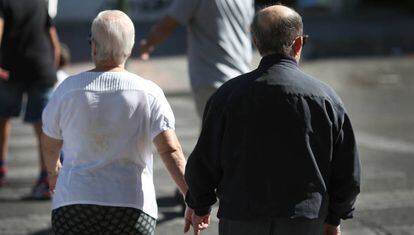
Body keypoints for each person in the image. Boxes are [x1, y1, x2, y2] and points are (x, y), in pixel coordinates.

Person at [183, 4, 361, 235]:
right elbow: (347, 170)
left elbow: (204, 162)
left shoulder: (226, 97)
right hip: (305, 220)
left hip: (241, 217)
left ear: (255, 42)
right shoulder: (326, 99)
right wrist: (335, 216)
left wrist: (200, 204)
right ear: (298, 43)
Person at [41, 10, 193, 234]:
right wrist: (192, 197)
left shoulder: (67, 90)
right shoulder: (148, 92)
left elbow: (50, 142)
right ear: (129, 49)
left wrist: (54, 174)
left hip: (74, 203)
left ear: (93, 46)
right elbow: (170, 149)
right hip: (132, 208)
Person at [140, 0, 255, 117]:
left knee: (215, 132)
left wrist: (148, 44)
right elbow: (250, 27)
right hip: (242, 77)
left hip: (211, 79)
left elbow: (166, 25)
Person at [0, 0, 60, 199]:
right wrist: (53, 67)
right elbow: (53, 38)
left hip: (11, 69)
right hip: (41, 67)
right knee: (44, 126)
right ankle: (46, 177)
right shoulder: (39, 2)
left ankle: (1, 168)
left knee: (3, 117)